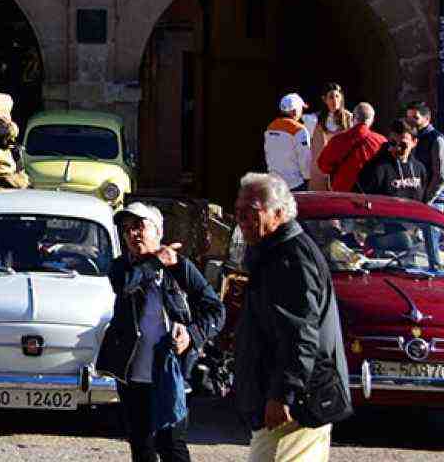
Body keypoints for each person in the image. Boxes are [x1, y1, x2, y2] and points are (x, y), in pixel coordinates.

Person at [232, 173, 352, 462]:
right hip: (292, 400)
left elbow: (301, 334)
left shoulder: (290, 258)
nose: (241, 218)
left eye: (251, 211)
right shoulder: (272, 252)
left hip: (296, 406)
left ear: (279, 213)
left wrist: (283, 394)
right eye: (238, 211)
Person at [96, 202, 225, 462]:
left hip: (171, 375)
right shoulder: (122, 268)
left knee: (172, 447)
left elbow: (215, 311)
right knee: (141, 447)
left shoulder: (180, 268)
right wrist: (156, 261)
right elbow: (126, 285)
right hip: (133, 376)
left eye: (139, 226)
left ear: (158, 231)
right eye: (127, 229)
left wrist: (192, 334)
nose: (133, 234)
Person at [316, 102, 385, 193]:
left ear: (352, 118)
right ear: (372, 120)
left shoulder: (338, 140)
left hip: (343, 193)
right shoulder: (382, 141)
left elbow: (323, 165)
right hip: (372, 195)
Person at [356, 120, 427, 202]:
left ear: (414, 142)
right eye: (393, 143)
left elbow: (423, 201)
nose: (397, 148)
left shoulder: (419, 169)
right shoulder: (378, 167)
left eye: (403, 145)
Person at [405, 100, 444, 210]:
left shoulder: (437, 140)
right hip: (414, 200)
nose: (411, 122)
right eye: (409, 118)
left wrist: (426, 201)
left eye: (415, 118)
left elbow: (441, 176)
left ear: (427, 119)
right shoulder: (411, 138)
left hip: (433, 203)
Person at [305, 83, 351, 192]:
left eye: (337, 96)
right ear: (324, 99)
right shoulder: (313, 120)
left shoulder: (349, 119)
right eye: (331, 97)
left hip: (340, 170)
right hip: (319, 172)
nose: (334, 100)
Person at [264, 93, 312, 191]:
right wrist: (309, 179)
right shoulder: (300, 130)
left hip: (274, 185)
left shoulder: (270, 128)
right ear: (294, 112)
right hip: (295, 185)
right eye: (301, 109)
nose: (302, 113)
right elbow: (305, 161)